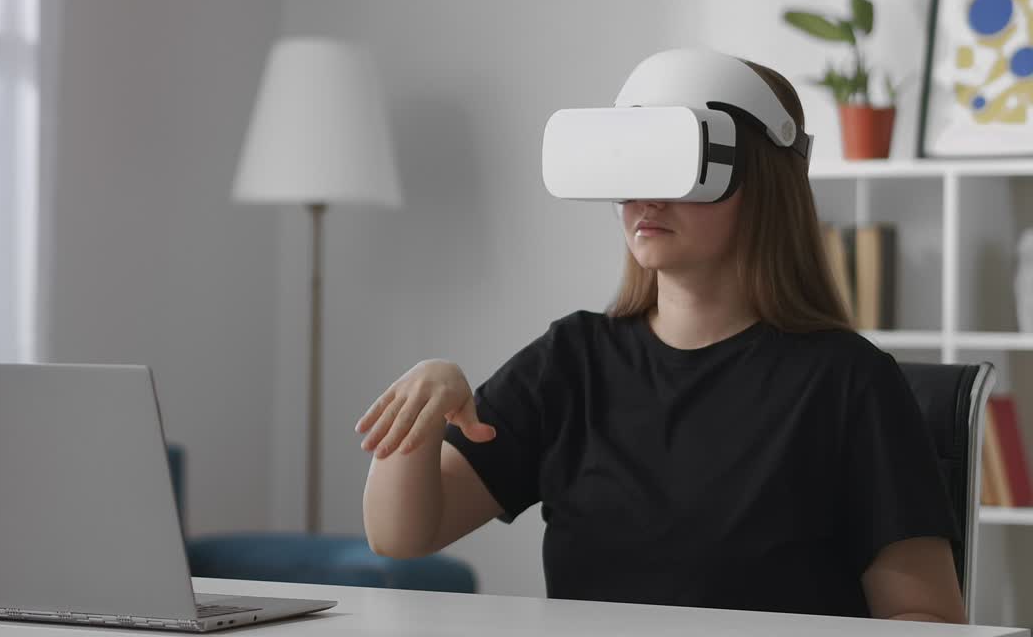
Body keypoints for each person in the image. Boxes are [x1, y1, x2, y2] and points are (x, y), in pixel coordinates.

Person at [355, 58, 966, 623]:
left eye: (679, 167)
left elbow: (926, 618)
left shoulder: (849, 382)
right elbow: (403, 535)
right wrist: (422, 407)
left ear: (763, 183)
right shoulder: (571, 361)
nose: (647, 199)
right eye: (634, 166)